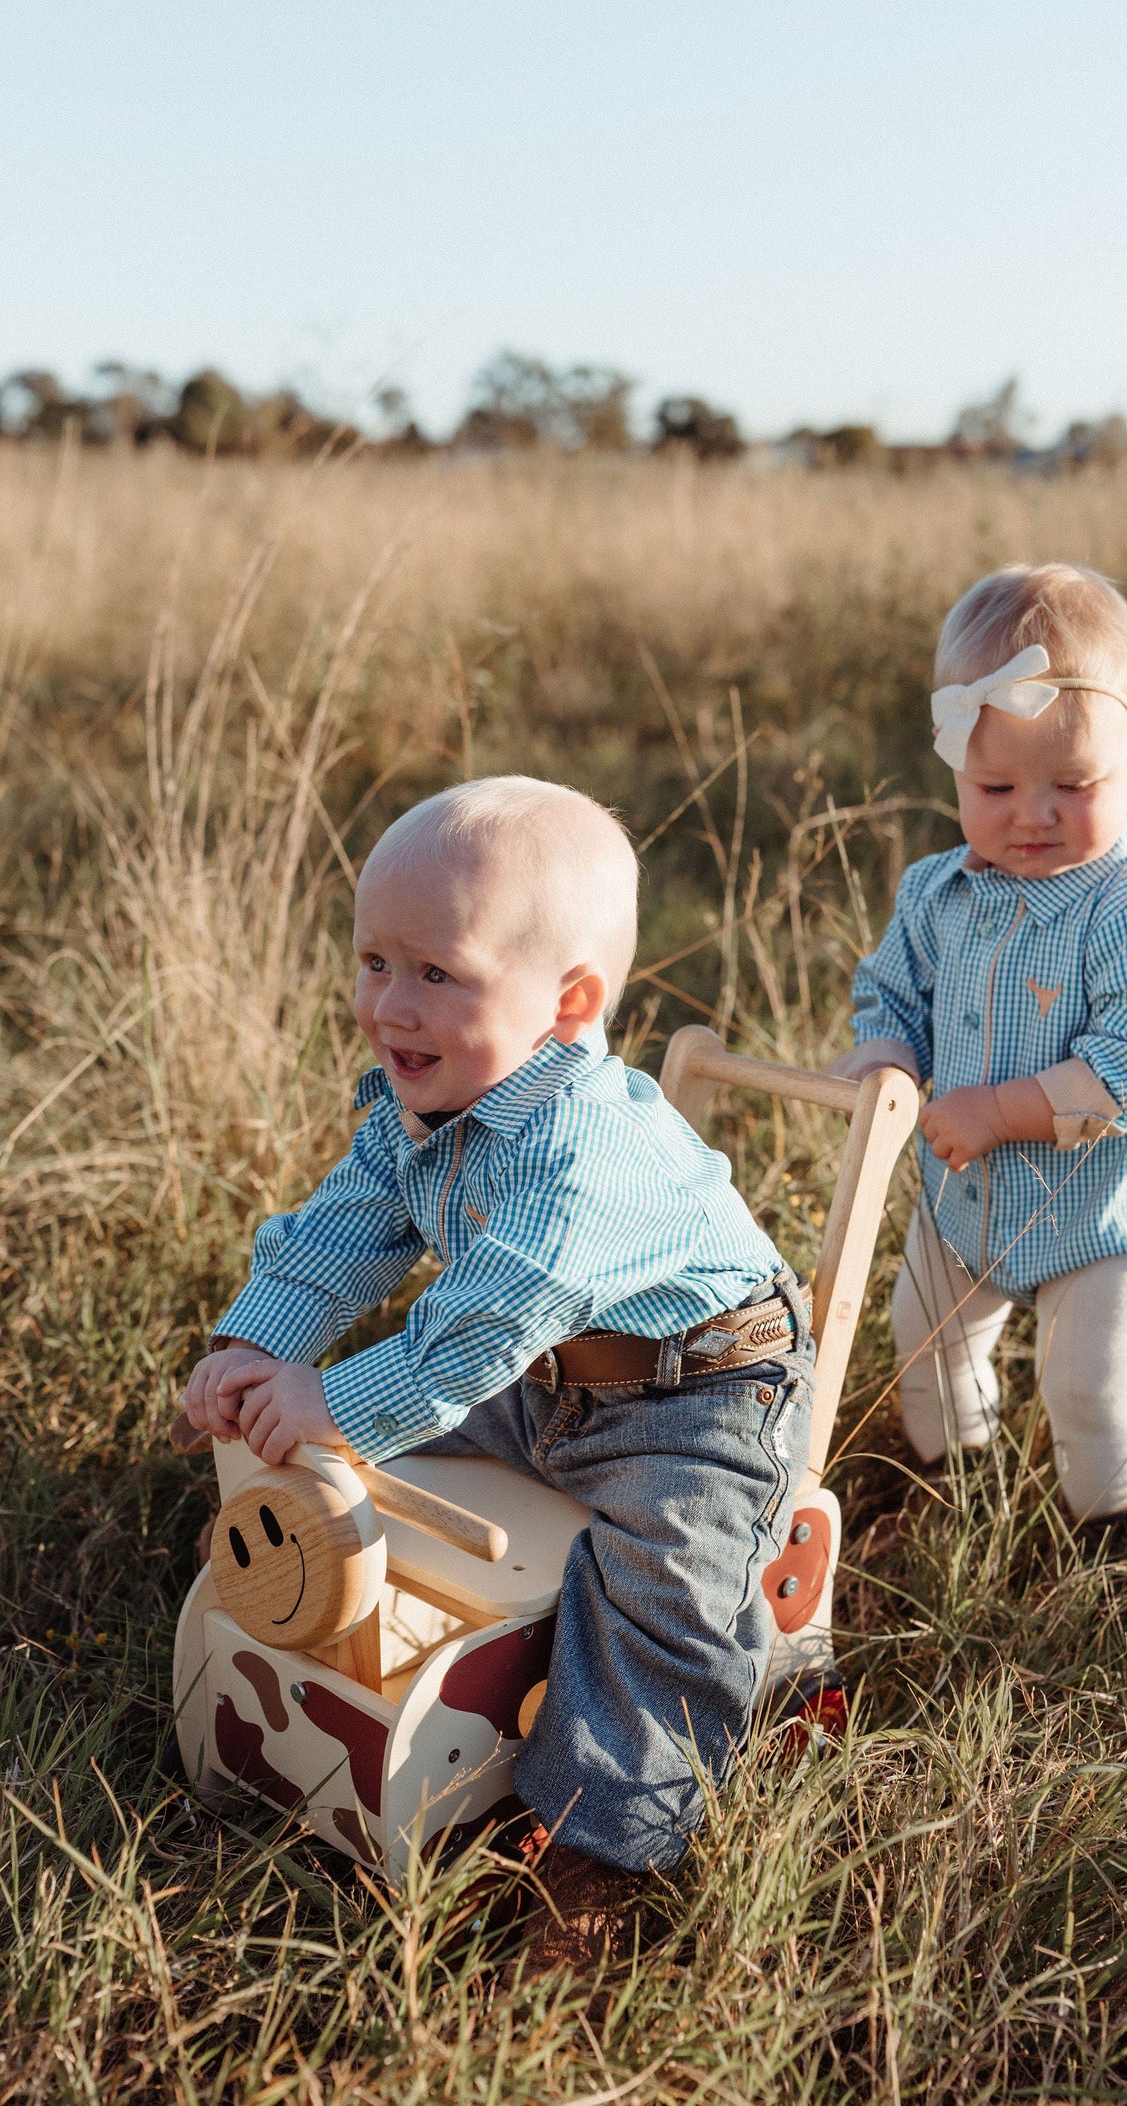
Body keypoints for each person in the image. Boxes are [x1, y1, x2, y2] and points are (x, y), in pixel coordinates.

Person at [183, 775, 814, 1965]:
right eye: (374, 958)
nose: (388, 1002)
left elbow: (476, 1332)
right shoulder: (422, 1102)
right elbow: (342, 1229)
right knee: (347, 1448)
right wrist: (259, 1343)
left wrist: (337, 1400)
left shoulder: (586, 1155)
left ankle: (603, 1844)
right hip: (542, 1377)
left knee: (661, 1587)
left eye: (437, 972)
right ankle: (319, 1646)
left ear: (566, 1004)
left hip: (694, 1392)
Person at [832, 564, 1127, 1531]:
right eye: (995, 784)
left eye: (1072, 783)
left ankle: (1104, 1529)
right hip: (961, 1204)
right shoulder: (939, 892)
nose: (1031, 813)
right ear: (953, 770)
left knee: (1087, 1389)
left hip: (1101, 1219)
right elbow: (893, 987)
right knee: (924, 1347)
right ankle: (955, 1483)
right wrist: (886, 1053)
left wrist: (1001, 1109)